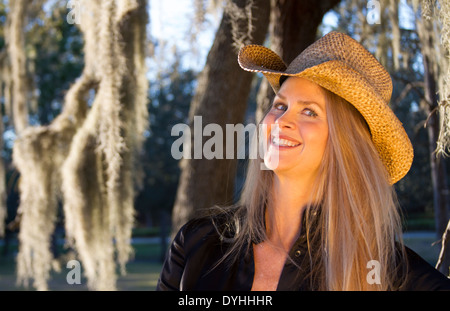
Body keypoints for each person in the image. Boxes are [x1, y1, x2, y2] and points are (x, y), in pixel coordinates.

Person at [156, 31, 450, 291]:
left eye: (309, 111)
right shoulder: (198, 242)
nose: (281, 121)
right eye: (280, 105)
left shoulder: (389, 271)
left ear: (345, 145)